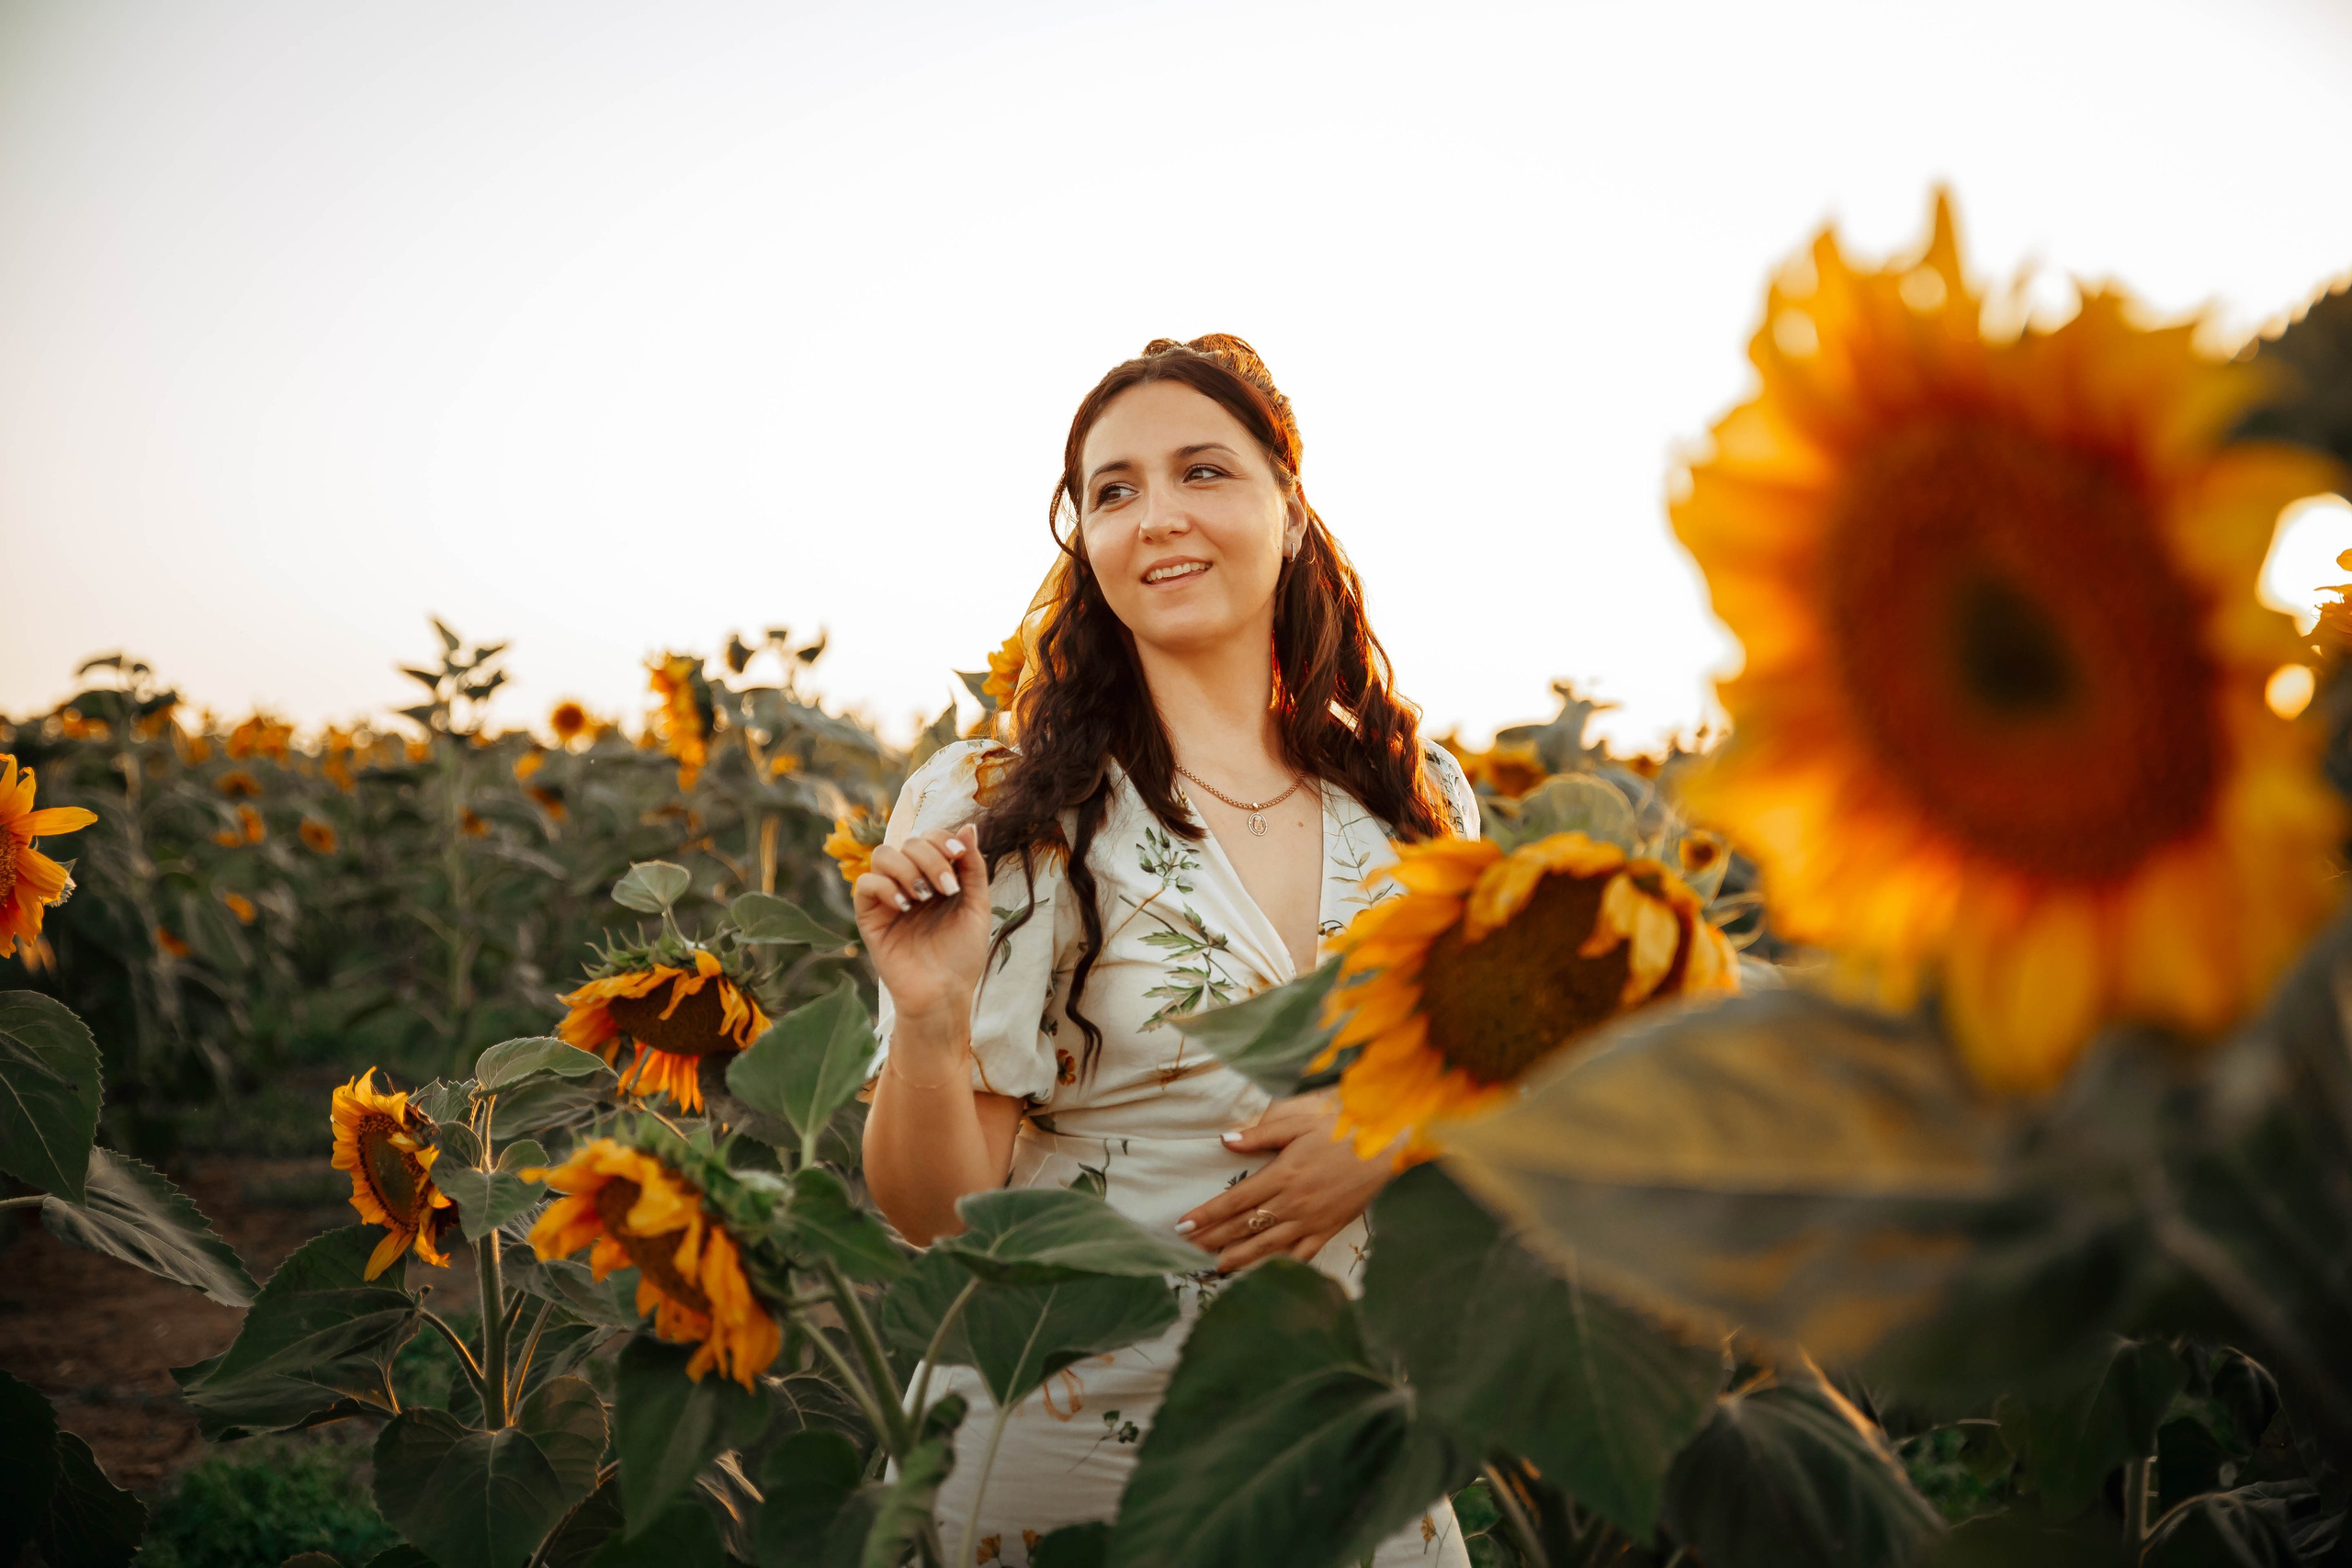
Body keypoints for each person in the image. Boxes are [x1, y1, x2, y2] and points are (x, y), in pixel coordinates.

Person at [857, 334, 1478, 1563]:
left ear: (1290, 512)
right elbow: (942, 1219)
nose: (1157, 518)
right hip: (1062, 1440)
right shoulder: (997, 806)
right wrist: (929, 1023)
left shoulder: (1420, 805)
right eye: (1113, 490)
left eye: (1203, 471)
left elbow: (1501, 1091)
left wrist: (1401, 1130)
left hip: (1342, 1438)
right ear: (1083, 541)